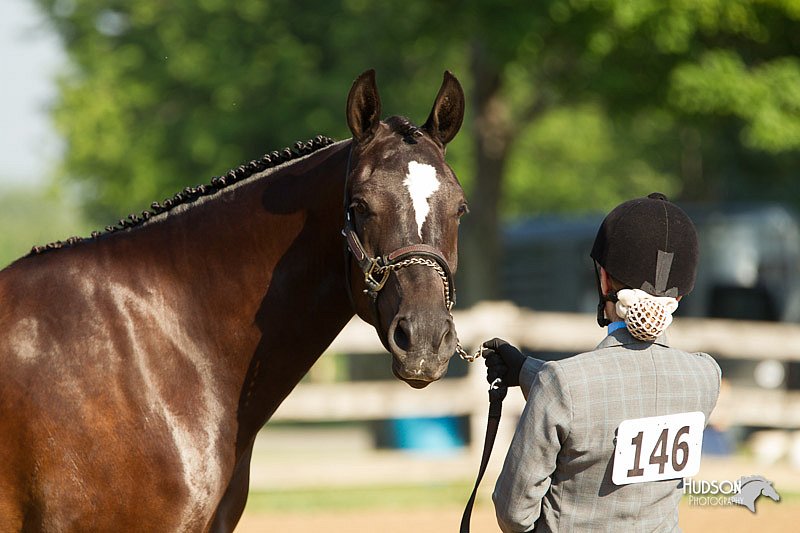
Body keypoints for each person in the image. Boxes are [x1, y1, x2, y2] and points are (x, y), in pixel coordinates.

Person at [483, 192, 721, 532]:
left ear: (604, 279)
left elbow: (513, 513)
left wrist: (544, 384)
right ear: (680, 295)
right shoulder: (705, 377)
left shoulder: (562, 385)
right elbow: (627, 398)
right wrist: (525, 371)